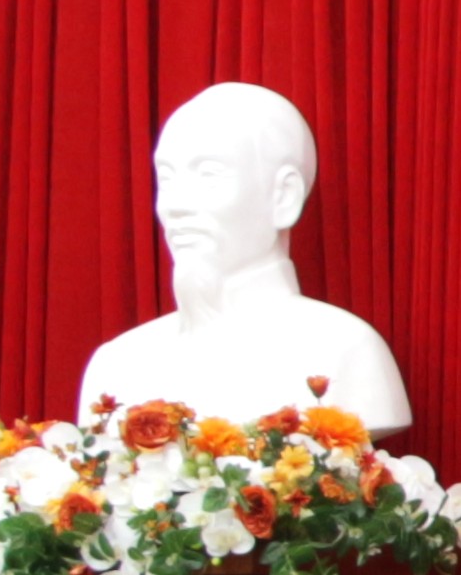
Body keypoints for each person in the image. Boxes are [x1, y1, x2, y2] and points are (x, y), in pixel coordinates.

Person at [77, 81, 414, 434]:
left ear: (284, 195)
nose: (175, 206)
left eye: (209, 174)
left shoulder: (345, 351)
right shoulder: (117, 366)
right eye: (167, 178)